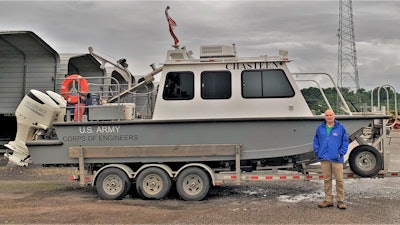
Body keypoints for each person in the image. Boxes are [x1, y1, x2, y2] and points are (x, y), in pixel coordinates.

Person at [313, 109, 349, 210]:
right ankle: (328, 200)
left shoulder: (340, 128)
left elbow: (345, 141)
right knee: (327, 180)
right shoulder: (320, 128)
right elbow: (315, 140)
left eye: (330, 115)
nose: (329, 117)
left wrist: (341, 153)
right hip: (324, 158)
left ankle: (340, 201)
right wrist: (318, 151)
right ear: (325, 117)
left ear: (334, 116)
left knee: (339, 180)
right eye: (327, 115)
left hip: (336, 158)